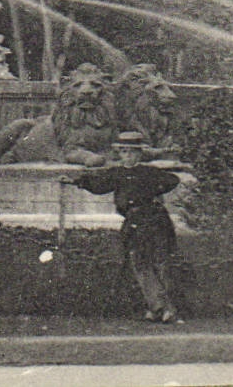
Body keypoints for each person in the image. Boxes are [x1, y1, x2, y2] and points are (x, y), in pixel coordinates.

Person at [68, 131, 183, 322]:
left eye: (131, 152)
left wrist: (153, 191)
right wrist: (77, 181)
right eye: (123, 152)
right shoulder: (117, 173)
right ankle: (159, 307)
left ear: (139, 154)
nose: (127, 156)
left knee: (160, 263)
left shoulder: (148, 172)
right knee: (140, 263)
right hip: (135, 222)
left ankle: (164, 308)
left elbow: (172, 180)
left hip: (155, 220)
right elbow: (99, 184)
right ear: (119, 154)